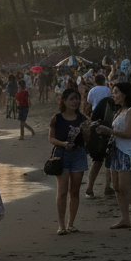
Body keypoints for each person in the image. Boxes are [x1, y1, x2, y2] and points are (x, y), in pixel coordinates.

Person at [95, 83, 131, 230]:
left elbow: (128, 134)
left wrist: (109, 131)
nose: (113, 95)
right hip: (116, 151)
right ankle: (125, 218)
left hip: (127, 152)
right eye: (113, 92)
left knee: (126, 187)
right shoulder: (120, 110)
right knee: (117, 187)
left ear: (125, 94)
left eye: (116, 92)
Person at [49, 89, 89, 234]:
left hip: (78, 154)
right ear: (64, 101)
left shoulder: (82, 118)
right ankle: (61, 225)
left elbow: (87, 140)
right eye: (72, 99)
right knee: (62, 191)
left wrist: (86, 130)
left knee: (75, 190)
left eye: (77, 99)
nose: (75, 102)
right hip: (62, 155)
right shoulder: (57, 118)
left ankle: (70, 224)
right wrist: (63, 144)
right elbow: (51, 138)